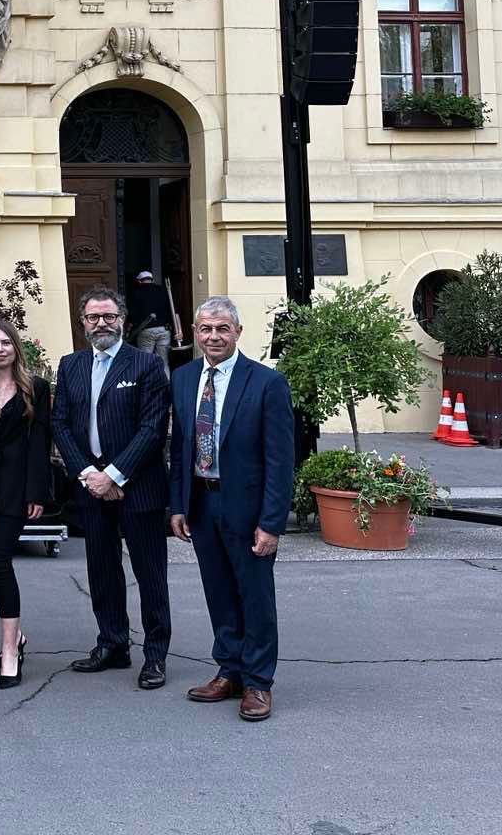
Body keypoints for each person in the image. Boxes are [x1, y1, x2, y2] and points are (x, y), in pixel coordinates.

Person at [170, 297, 295, 722]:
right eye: (206, 329)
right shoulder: (184, 378)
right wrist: (178, 505)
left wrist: (271, 523)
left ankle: (258, 681)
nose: (213, 336)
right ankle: (230, 671)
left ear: (238, 332)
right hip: (202, 502)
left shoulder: (267, 383)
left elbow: (280, 460)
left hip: (248, 507)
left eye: (222, 328)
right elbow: (180, 447)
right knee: (219, 591)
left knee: (254, 595)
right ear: (194, 332)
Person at [51, 285, 173, 690]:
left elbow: (152, 428)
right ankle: (113, 644)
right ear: (82, 322)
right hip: (90, 487)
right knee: (102, 571)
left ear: (122, 320)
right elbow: (60, 425)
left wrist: (115, 476)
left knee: (150, 574)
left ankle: (155, 654)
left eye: (109, 316)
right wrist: (91, 475)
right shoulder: (70, 365)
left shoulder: (146, 365)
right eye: (93, 317)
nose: (101, 323)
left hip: (138, 487)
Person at [0, 320, 52, 689]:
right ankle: (16, 635)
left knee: (0, 560)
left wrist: (37, 492)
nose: (0, 349)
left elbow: (41, 441)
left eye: (6, 343)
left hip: (18, 489)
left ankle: (9, 650)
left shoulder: (37, 388)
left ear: (16, 347)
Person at [127, 270, 180, 379]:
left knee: (146, 361)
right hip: (164, 329)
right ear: (151, 280)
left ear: (139, 281)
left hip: (146, 330)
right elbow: (172, 310)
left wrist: (129, 329)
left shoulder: (136, 293)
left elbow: (132, 314)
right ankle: (166, 385)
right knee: (163, 361)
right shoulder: (162, 290)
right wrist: (177, 330)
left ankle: (148, 386)